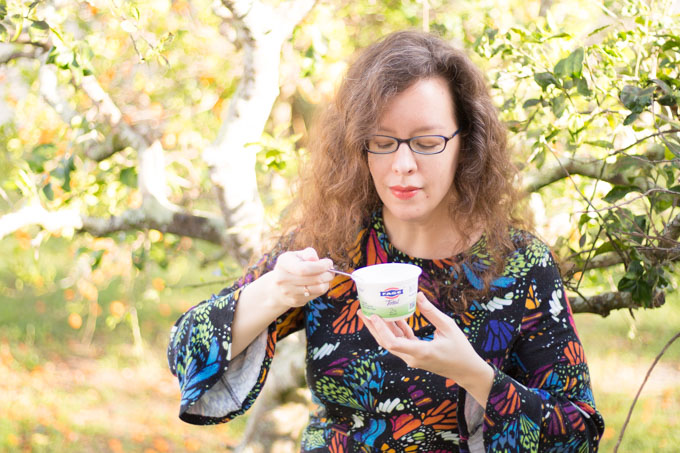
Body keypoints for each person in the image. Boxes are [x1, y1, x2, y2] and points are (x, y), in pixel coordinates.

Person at [167, 30, 605, 452]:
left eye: (427, 141)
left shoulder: (521, 264)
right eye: (382, 141)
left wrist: (475, 376)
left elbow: (578, 434)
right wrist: (275, 290)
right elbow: (185, 352)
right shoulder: (331, 241)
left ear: (466, 142)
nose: (402, 165)